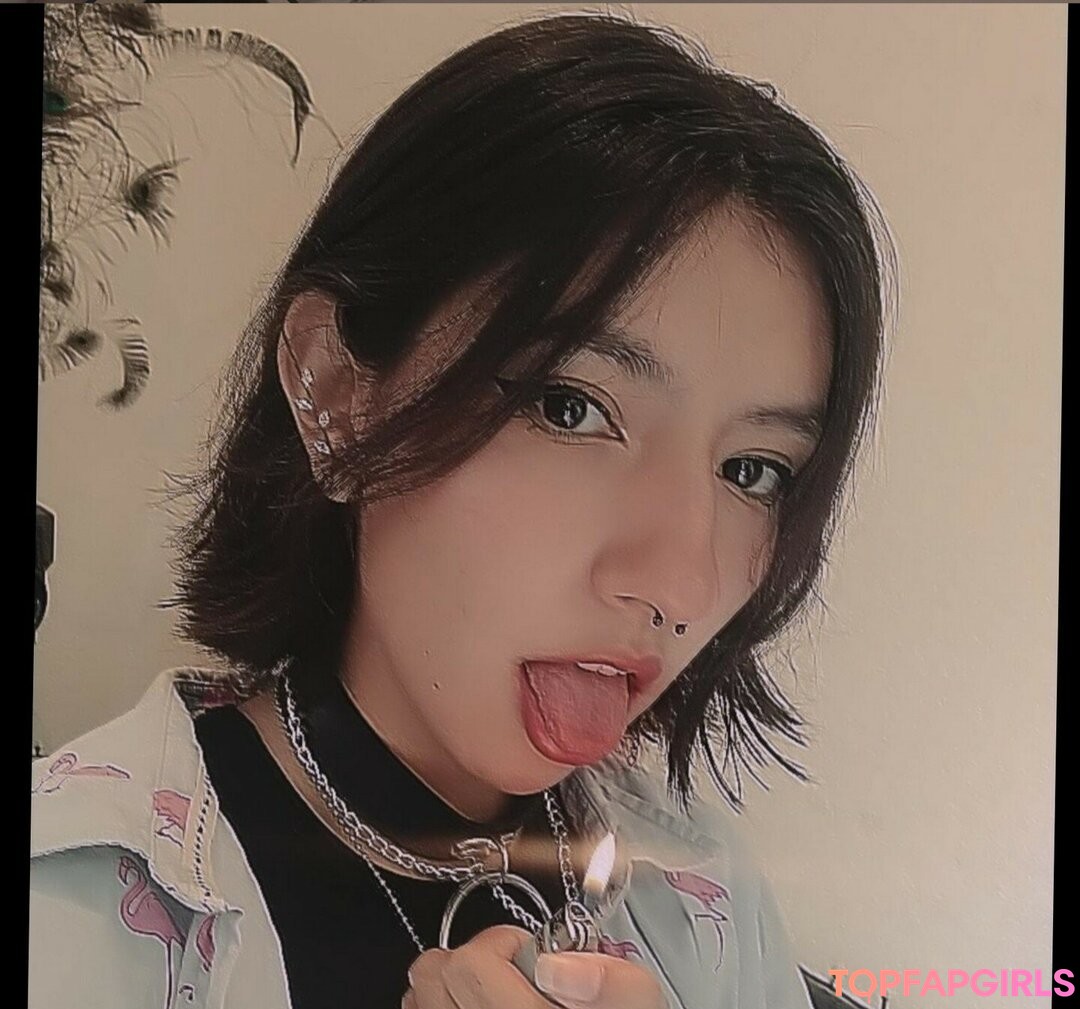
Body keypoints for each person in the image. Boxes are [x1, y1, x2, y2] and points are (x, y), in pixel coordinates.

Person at [29, 12, 891, 1009]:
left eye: (753, 470)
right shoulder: (74, 914)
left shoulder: (706, 893)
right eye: (571, 407)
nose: (680, 579)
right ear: (336, 392)